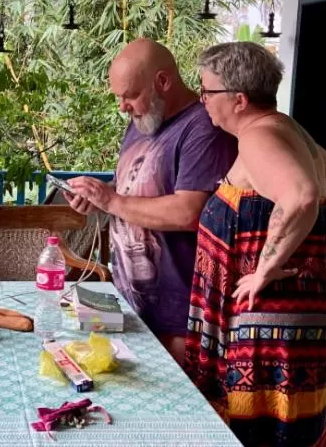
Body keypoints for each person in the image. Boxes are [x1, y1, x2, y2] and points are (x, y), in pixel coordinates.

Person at [184, 41, 326, 447]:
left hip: (271, 325)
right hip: (301, 316)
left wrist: (266, 269)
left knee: (259, 431)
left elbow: (303, 197)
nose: (202, 99)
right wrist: (305, 243)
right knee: (291, 428)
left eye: (207, 91)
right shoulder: (288, 128)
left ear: (239, 99)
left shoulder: (258, 137)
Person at [64, 38, 237, 363]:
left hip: (179, 320)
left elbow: (190, 211)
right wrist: (96, 198)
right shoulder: (145, 119)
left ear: (163, 81)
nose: (122, 106)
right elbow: (133, 188)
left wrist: (112, 200)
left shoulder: (203, 129)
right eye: (119, 97)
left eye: (130, 95)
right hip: (134, 305)